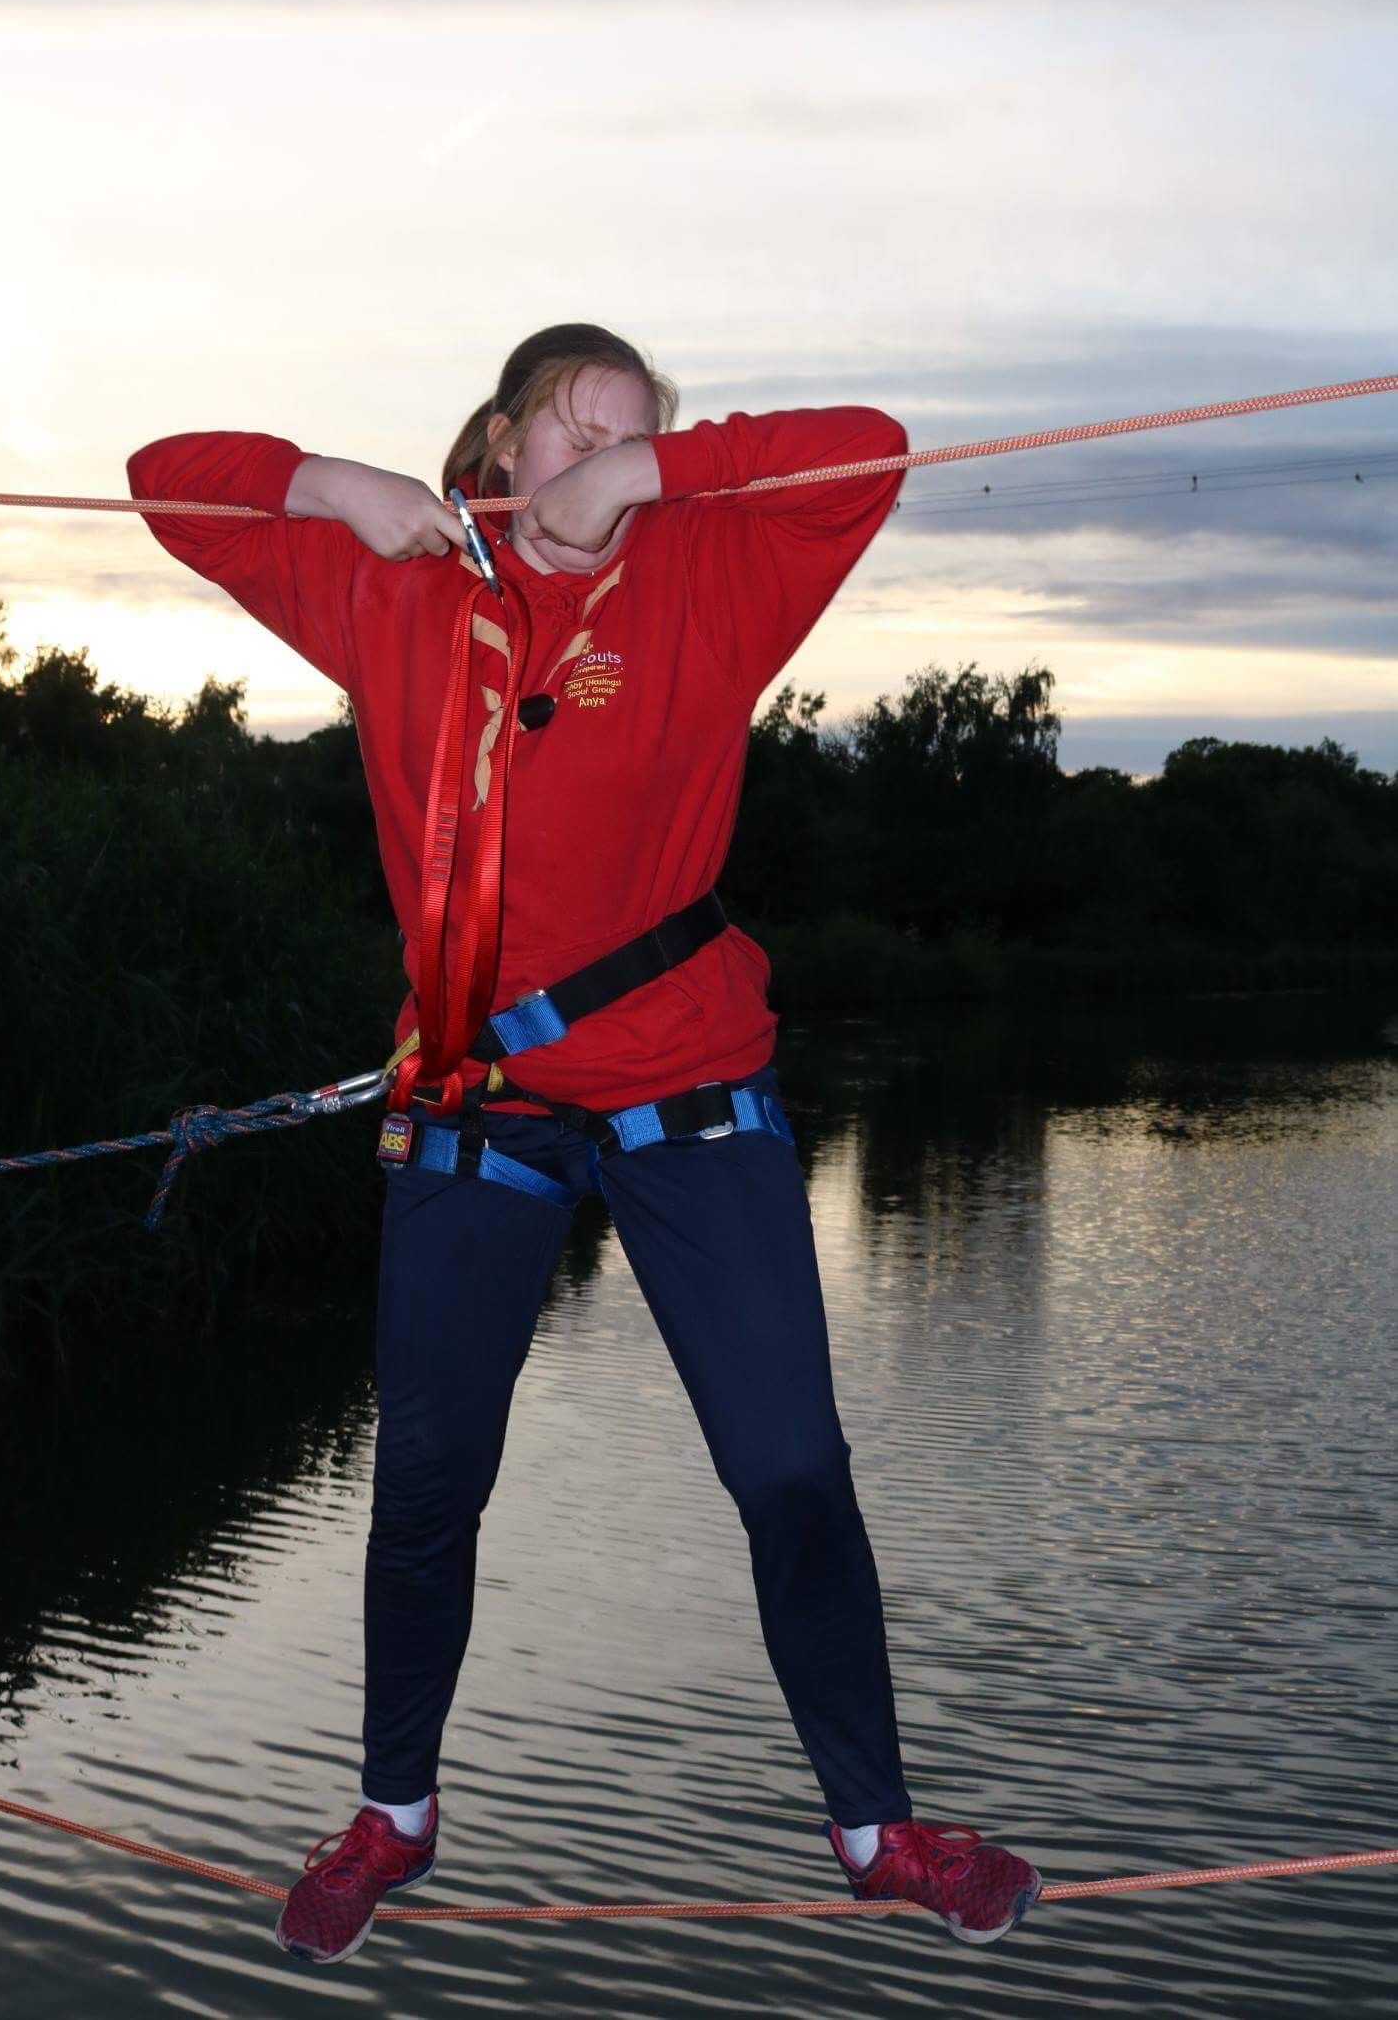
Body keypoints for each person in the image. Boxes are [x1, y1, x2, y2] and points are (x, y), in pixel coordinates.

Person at [127, 322, 1040, 1966]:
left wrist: (659, 473)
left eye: (629, 436)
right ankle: (392, 1816)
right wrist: (335, 483)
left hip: (691, 1090)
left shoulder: (707, 571)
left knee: (790, 1469)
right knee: (425, 1481)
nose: (599, 463)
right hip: (484, 1106)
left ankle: (877, 1830)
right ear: (496, 439)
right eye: (572, 429)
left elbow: (875, 441)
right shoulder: (393, 585)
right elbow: (162, 486)